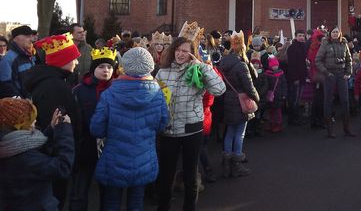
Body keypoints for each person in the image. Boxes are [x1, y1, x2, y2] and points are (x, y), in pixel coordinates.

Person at [90, 47, 169, 211]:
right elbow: (162, 124)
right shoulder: (158, 94)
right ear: (149, 67)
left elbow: (96, 129)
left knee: (111, 202)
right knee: (136, 202)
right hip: (144, 157)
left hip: (114, 159)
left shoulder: (109, 94)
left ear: (124, 67)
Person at [155, 36, 226, 210]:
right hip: (168, 131)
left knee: (190, 175)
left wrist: (201, 66)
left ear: (192, 54)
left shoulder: (198, 71)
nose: (180, 54)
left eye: (185, 51)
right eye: (178, 50)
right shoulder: (163, 72)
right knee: (166, 175)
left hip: (192, 129)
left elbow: (219, 89)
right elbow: (156, 98)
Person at [24, 33, 82, 209]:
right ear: (62, 60)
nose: (77, 62)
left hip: (49, 155)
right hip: (54, 157)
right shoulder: (56, 87)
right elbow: (59, 124)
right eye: (74, 58)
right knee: (55, 199)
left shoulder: (52, 81)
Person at [0, 99, 74, 210]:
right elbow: (62, 167)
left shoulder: (9, 146)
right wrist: (64, 130)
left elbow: (31, 150)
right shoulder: (24, 159)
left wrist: (51, 128)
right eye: (30, 119)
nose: (35, 122)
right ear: (19, 124)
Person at [69, 47, 119, 211]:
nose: (106, 70)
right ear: (93, 69)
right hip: (86, 145)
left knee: (108, 191)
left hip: (110, 147)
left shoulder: (117, 89)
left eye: (109, 67)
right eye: (101, 67)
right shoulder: (79, 90)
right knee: (80, 189)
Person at [219, 30, 260, 177]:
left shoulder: (223, 62)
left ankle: (226, 162)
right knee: (239, 133)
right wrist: (257, 98)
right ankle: (236, 163)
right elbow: (249, 86)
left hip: (228, 99)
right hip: (241, 100)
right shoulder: (241, 65)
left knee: (230, 131)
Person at [315, 27, 355, 138]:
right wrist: (326, 73)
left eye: (337, 32)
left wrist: (348, 72)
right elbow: (318, 60)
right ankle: (329, 130)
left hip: (342, 74)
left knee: (345, 101)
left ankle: (347, 129)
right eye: (333, 32)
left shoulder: (344, 43)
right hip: (330, 74)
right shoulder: (325, 43)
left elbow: (349, 60)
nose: (335, 33)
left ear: (340, 33)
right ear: (330, 33)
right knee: (328, 101)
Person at [0, 25, 36, 98]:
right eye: (28, 36)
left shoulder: (29, 56)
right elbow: (6, 85)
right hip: (22, 105)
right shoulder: (8, 59)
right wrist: (21, 101)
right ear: (17, 38)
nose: (31, 40)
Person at [285, 30, 308, 125]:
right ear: (295, 36)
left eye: (303, 36)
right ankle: (292, 118)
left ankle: (296, 117)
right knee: (294, 98)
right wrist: (295, 78)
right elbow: (291, 65)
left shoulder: (304, 47)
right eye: (300, 35)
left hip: (302, 76)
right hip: (295, 78)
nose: (302, 37)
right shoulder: (292, 48)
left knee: (298, 98)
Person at [260, 56, 288, 133]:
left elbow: (284, 84)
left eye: (276, 65)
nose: (275, 67)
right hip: (271, 96)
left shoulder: (280, 73)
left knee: (277, 112)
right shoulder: (267, 74)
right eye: (273, 65)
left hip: (278, 96)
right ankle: (271, 124)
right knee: (271, 111)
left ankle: (278, 125)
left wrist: (284, 94)